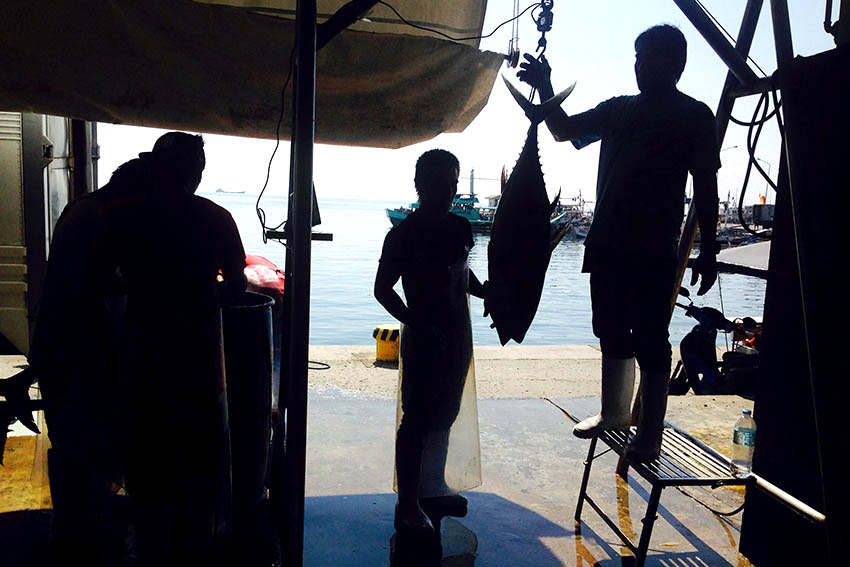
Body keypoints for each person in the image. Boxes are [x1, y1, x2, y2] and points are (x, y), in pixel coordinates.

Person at [518, 24, 720, 462]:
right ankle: (613, 414)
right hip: (606, 241)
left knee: (651, 338)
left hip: (654, 249)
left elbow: (706, 185)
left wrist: (710, 248)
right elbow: (563, 131)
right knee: (608, 330)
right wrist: (547, 85)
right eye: (637, 56)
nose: (640, 64)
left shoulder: (695, 116)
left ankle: (649, 432)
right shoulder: (618, 109)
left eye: (649, 57)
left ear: (676, 65)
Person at [113, 132, 246, 565]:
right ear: (198, 172)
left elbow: (107, 279)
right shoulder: (216, 217)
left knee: (148, 460)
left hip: (143, 353)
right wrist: (204, 301)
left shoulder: (129, 215)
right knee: (200, 459)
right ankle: (196, 546)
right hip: (199, 357)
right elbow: (238, 285)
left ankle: (151, 545)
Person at [28, 150, 154, 563]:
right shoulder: (97, 219)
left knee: (75, 439)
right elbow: (96, 286)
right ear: (133, 190)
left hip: (64, 343)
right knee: (81, 441)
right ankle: (76, 537)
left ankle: (77, 529)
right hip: (75, 350)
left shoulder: (85, 208)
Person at [374, 150, 486, 535]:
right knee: (417, 421)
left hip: (457, 338)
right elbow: (382, 290)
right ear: (421, 185)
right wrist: (415, 322)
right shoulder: (403, 234)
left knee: (446, 414)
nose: (449, 189)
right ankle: (408, 504)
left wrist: (487, 293)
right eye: (441, 182)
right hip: (423, 340)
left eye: (453, 182)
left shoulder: (460, 228)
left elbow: (463, 275)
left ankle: (432, 488)